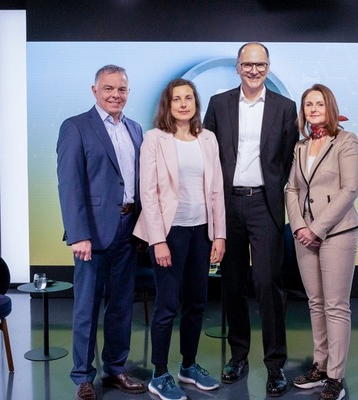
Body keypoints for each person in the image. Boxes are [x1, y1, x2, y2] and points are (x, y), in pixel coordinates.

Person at [203, 42, 298, 397]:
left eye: (260, 64)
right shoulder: (219, 104)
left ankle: (275, 365)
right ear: (238, 67)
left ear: (268, 67)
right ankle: (238, 356)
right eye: (247, 64)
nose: (254, 70)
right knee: (232, 283)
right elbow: (208, 155)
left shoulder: (285, 108)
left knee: (267, 283)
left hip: (265, 203)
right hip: (228, 204)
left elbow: (290, 158)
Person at [56, 64, 147, 400]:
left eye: (121, 89)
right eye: (108, 88)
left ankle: (116, 369)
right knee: (87, 306)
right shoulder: (76, 127)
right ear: (95, 91)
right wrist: (78, 233)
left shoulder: (136, 129)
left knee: (122, 305)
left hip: (128, 229)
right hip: (92, 234)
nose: (115, 95)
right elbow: (69, 184)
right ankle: (82, 375)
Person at [133, 78, 227, 400]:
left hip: (201, 232)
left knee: (197, 303)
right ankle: (160, 373)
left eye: (189, 98)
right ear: (168, 105)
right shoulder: (154, 139)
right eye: (177, 99)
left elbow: (216, 190)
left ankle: (188, 366)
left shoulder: (208, 139)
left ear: (196, 103)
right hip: (169, 234)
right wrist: (157, 240)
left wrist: (219, 235)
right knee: (168, 305)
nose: (184, 104)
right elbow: (148, 193)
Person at [285, 84, 358, 400]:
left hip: (337, 232)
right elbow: (291, 189)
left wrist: (316, 228)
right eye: (308, 105)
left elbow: (349, 190)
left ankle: (335, 377)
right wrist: (300, 227)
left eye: (318, 103)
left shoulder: (346, 141)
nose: (313, 109)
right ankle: (320, 366)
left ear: (329, 106)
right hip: (305, 234)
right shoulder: (301, 146)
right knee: (315, 303)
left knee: (336, 306)